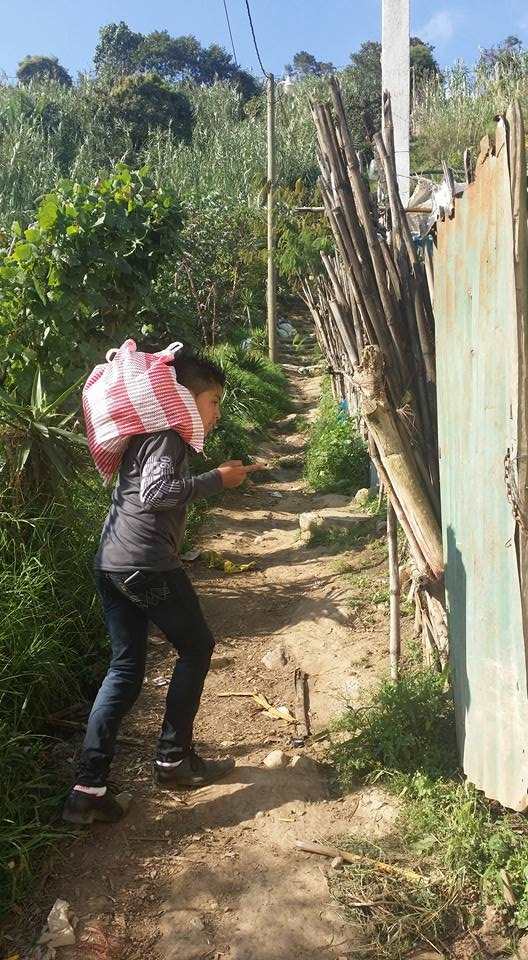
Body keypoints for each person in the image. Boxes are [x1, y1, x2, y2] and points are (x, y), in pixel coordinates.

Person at [62, 348, 260, 825]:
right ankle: (173, 759)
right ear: (188, 399)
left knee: (125, 667)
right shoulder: (169, 436)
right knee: (196, 647)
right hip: (146, 566)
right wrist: (219, 479)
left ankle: (87, 790)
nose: (216, 414)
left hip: (111, 564)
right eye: (213, 402)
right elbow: (157, 494)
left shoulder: (148, 436)